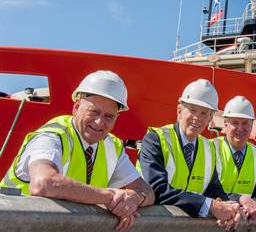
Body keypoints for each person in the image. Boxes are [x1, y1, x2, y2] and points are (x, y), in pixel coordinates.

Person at [0, 70, 155, 231]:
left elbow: (146, 190)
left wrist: (134, 199)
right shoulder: (53, 136)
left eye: (109, 116)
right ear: (76, 107)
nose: (99, 122)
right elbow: (43, 183)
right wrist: (110, 197)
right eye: (94, 111)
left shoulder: (112, 146)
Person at [138, 79, 241, 230]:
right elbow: (156, 190)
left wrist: (231, 207)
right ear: (179, 110)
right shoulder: (155, 139)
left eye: (204, 113)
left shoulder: (208, 148)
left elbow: (213, 190)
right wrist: (211, 206)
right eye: (192, 110)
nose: (197, 118)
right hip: (150, 226)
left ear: (210, 119)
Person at [213, 96, 256, 221]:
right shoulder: (210, 149)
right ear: (225, 124)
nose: (240, 128)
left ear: (252, 125)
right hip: (210, 221)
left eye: (245, 123)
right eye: (235, 123)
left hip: (242, 221)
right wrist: (240, 200)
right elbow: (207, 189)